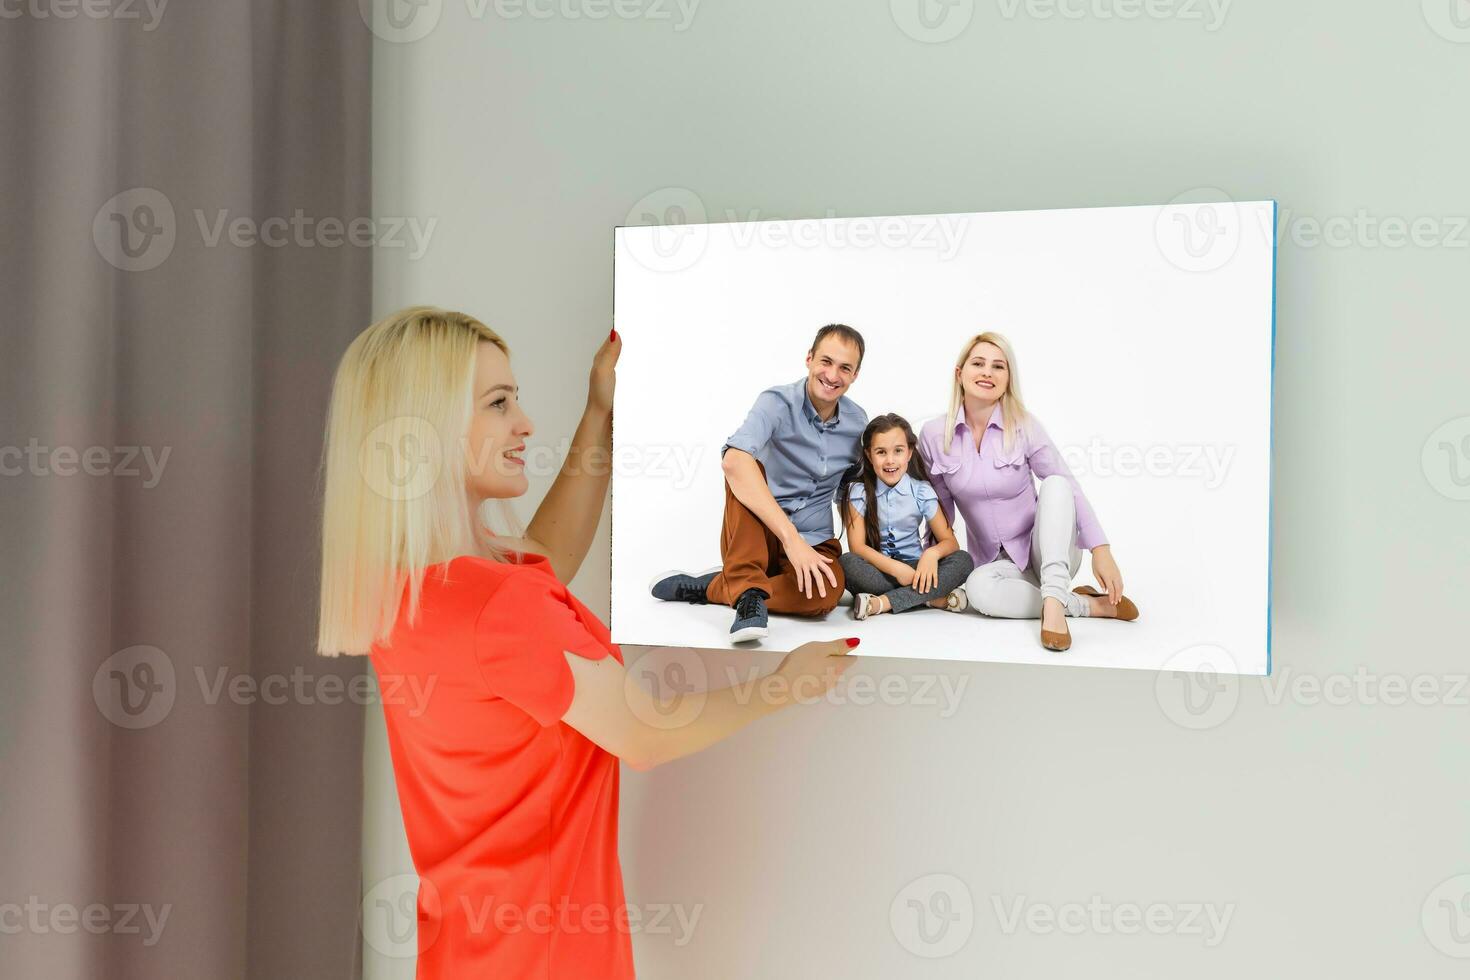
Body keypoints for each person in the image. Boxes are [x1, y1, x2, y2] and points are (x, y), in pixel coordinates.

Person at [316, 307, 856, 979]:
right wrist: (784, 685)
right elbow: (643, 732)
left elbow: (545, 554)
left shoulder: (408, 587)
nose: (524, 423)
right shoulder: (502, 607)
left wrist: (598, 414)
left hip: (465, 952)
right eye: (498, 403)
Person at [917, 331, 1140, 652]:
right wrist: (934, 564)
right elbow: (939, 509)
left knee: (1056, 484)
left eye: (998, 367)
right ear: (959, 373)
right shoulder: (934, 435)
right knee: (978, 591)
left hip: (1050, 550)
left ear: (1008, 379)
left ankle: (1053, 607)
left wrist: (1100, 550)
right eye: (978, 363)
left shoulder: (1024, 425)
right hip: (997, 565)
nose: (987, 373)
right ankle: (1085, 605)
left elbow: (1068, 486)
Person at [650, 324, 869, 642]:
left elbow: (851, 490)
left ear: (855, 375)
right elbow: (732, 462)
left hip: (814, 538)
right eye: (826, 361)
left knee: (826, 595)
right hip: (758, 532)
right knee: (744, 463)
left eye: (845, 368)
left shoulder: (857, 422)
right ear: (809, 359)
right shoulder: (777, 402)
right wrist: (790, 538)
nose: (833, 375)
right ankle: (748, 595)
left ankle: (722, 587)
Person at [836, 413, 974, 619]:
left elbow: (950, 542)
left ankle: (882, 602)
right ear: (868, 454)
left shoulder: (921, 491)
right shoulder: (859, 492)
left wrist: (931, 554)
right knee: (847, 563)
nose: (890, 460)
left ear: (909, 453)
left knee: (963, 560)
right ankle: (930, 599)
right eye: (881, 452)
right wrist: (895, 568)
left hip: (918, 570)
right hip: (880, 570)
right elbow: (857, 547)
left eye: (898, 451)